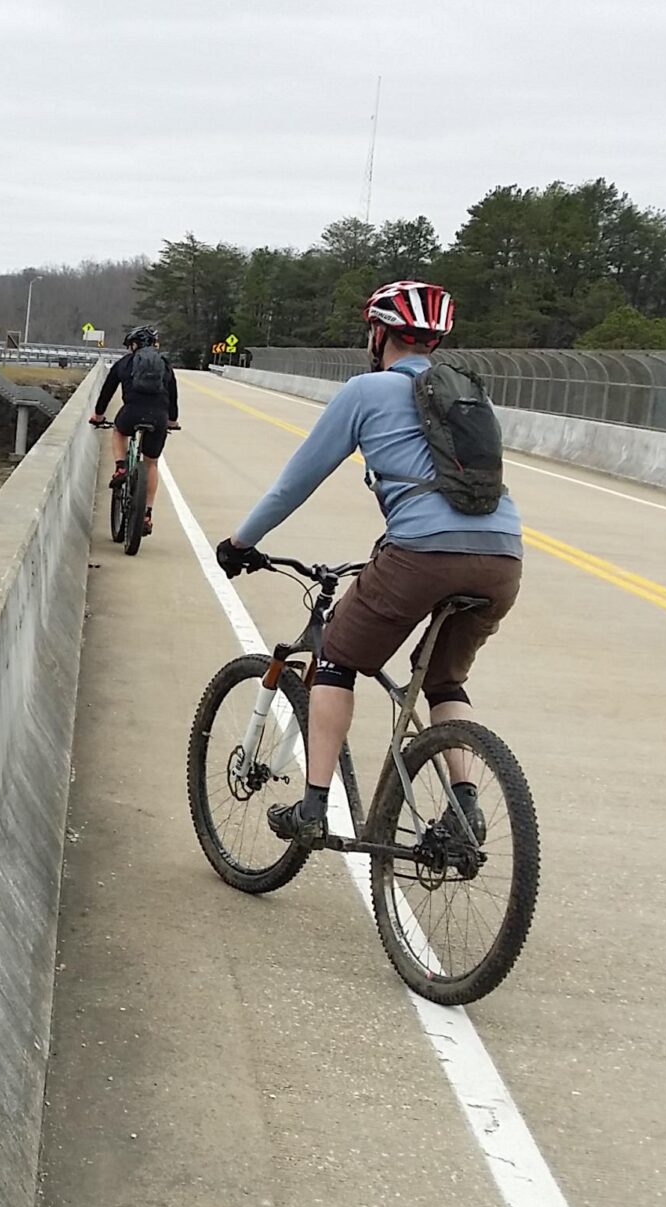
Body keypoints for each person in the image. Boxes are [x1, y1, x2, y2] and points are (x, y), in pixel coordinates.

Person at [212, 280, 523, 845]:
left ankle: (312, 809)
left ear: (378, 335)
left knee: (333, 659)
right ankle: (465, 809)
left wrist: (239, 543)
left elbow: (292, 486)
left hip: (421, 556)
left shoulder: (365, 390)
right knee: (445, 680)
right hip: (503, 557)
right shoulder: (471, 394)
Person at [89, 324, 178, 535]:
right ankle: (147, 514)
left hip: (132, 412)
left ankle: (120, 467)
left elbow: (107, 391)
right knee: (151, 463)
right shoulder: (164, 365)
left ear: (134, 345)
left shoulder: (124, 363)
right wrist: (172, 420)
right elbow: (173, 395)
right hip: (158, 416)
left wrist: (98, 415)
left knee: (119, 431)